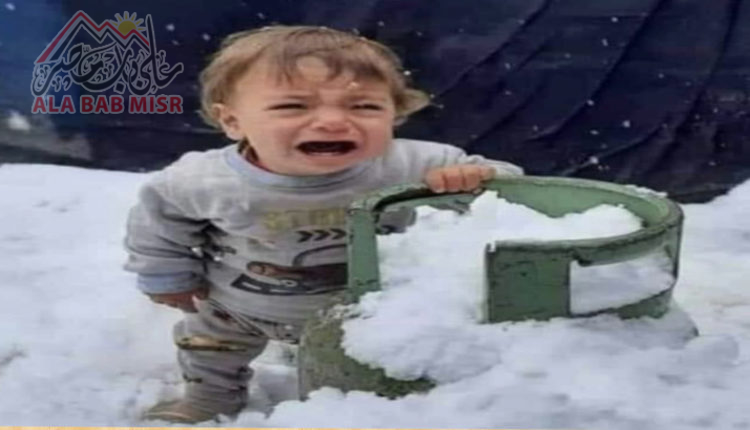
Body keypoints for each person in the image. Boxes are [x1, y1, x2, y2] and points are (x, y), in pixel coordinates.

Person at [124, 25, 523, 423]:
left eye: (364, 107)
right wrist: (167, 277)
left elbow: (512, 189)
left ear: (395, 115)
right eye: (292, 106)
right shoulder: (203, 181)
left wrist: (472, 179)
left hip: (363, 312)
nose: (333, 122)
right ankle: (209, 400)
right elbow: (159, 226)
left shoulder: (408, 164)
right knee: (208, 349)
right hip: (236, 307)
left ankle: (361, 410)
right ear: (232, 121)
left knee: (374, 371)